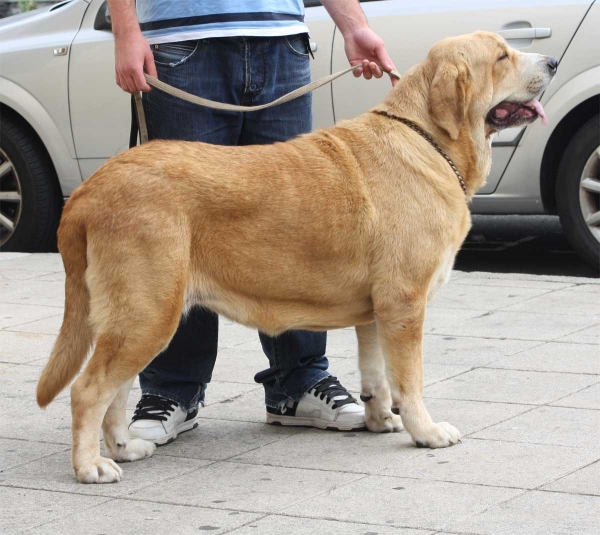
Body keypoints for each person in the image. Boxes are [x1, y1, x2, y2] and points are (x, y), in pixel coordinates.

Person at [106, 0, 397, 445]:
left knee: (296, 220)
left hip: (282, 41)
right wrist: (127, 30)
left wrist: (353, 25)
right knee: (184, 228)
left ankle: (297, 384)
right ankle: (171, 391)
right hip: (183, 44)